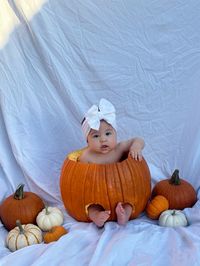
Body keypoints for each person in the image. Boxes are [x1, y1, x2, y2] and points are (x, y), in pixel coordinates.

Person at [79, 98, 145, 227]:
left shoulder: (119, 149)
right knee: (91, 207)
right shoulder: (86, 157)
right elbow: (81, 182)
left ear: (115, 134)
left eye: (108, 133)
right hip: (97, 194)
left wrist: (136, 147)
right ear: (87, 141)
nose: (103, 139)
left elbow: (139, 139)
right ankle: (97, 217)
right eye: (96, 136)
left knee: (129, 203)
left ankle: (124, 215)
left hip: (122, 191)